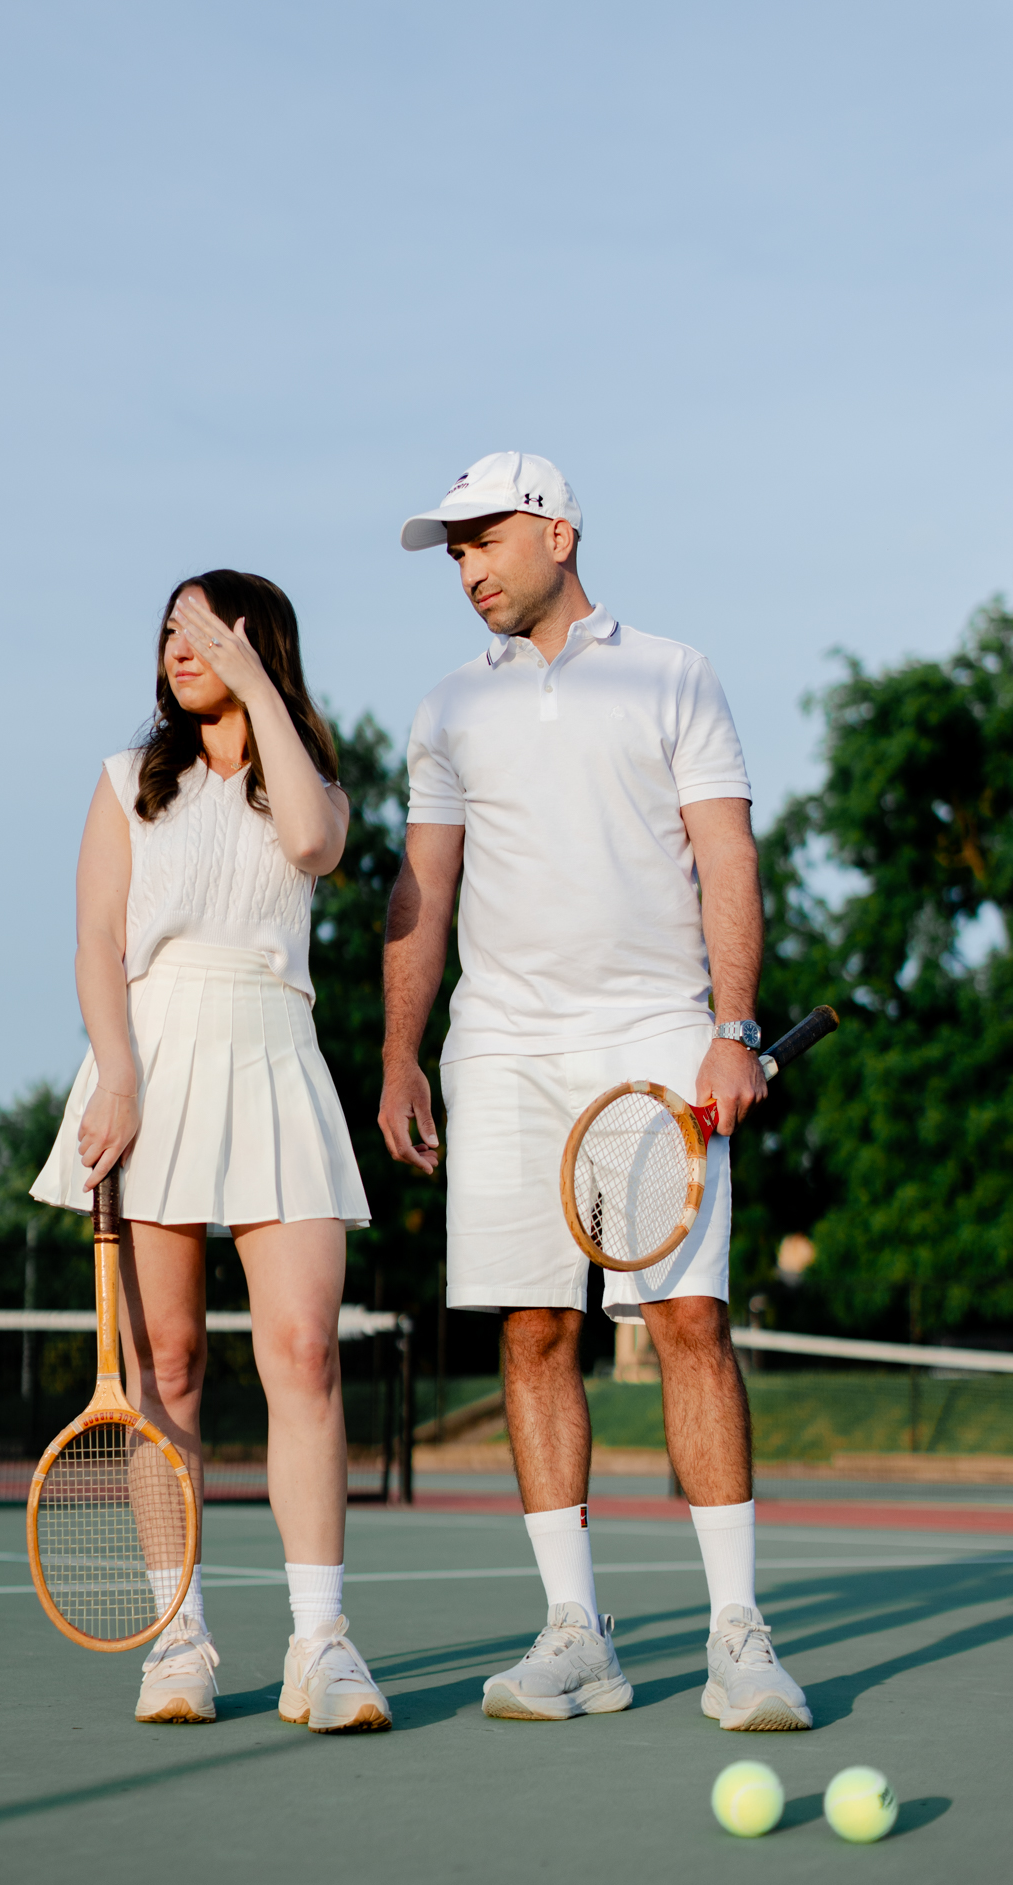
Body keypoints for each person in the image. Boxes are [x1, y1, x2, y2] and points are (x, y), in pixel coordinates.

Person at [379, 452, 811, 1733]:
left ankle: (740, 1633)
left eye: (485, 539)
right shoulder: (445, 709)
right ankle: (579, 1634)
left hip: (653, 1036)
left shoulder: (673, 670)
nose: (467, 569)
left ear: (560, 531)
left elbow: (726, 851)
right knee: (532, 1333)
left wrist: (731, 1028)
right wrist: (402, 1052)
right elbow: (422, 893)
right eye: (451, 551)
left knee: (686, 1322)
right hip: (501, 1046)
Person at [33, 570, 391, 1734]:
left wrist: (257, 696)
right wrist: (120, 1072)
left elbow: (311, 844)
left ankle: (322, 1647)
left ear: (254, 641)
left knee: (305, 1353)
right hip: (154, 1061)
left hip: (277, 1052)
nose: (175, 644)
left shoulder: (310, 778)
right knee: (167, 1373)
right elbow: (96, 946)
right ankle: (176, 1639)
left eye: (201, 627)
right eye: (167, 629)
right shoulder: (122, 785)